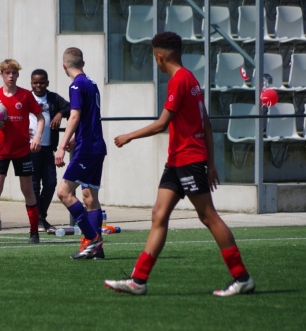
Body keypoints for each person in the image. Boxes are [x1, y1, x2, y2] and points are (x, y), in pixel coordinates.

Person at [104, 32, 255, 296]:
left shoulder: (179, 81)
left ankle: (241, 277)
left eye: (154, 57)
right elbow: (205, 123)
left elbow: (162, 123)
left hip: (188, 160)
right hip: (177, 161)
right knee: (158, 215)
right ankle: (138, 281)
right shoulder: (191, 79)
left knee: (208, 216)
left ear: (159, 56)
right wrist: (212, 163)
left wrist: (129, 136)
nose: (155, 61)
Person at [0, 59, 45, 245]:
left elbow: (40, 117)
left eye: (14, 73)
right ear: (2, 75)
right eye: (7, 73)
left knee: (27, 189)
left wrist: (37, 136)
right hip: (0, 150)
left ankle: (33, 232)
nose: (11, 76)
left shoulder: (25, 96)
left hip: (22, 150)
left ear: (18, 75)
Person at [55, 47, 107, 259]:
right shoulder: (92, 84)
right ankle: (98, 251)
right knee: (90, 197)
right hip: (96, 146)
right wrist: (75, 138)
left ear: (64, 65)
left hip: (87, 149)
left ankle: (92, 239)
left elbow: (74, 116)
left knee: (63, 193)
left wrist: (62, 145)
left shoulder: (76, 85)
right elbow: (89, 117)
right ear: (82, 63)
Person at [28, 69, 71, 232]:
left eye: (41, 82)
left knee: (51, 183)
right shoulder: (26, 97)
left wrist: (60, 113)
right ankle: (38, 220)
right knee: (33, 185)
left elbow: (70, 107)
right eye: (35, 83)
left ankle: (41, 216)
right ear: (31, 83)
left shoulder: (52, 98)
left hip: (47, 148)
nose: (38, 85)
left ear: (47, 83)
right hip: (30, 147)